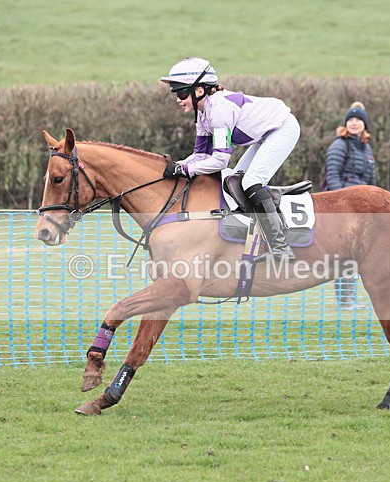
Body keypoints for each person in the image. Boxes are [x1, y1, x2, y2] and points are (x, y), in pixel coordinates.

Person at [159, 57, 300, 261]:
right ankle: (257, 234)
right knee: (232, 182)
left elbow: (220, 161)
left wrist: (186, 170)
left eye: (181, 92)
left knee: (251, 181)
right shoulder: (203, 114)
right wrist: (179, 165)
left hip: (282, 128)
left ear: (199, 91)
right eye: (176, 93)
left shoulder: (218, 112)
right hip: (265, 134)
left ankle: (281, 247)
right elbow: (201, 155)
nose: (178, 99)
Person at [324, 101, 377, 310]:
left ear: (365, 125)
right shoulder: (339, 145)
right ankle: (345, 300)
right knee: (345, 253)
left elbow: (372, 180)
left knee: (357, 254)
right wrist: (342, 206)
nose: (354, 123)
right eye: (351, 120)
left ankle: (351, 298)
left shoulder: (367, 148)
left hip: (362, 208)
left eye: (358, 120)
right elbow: (332, 177)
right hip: (344, 209)